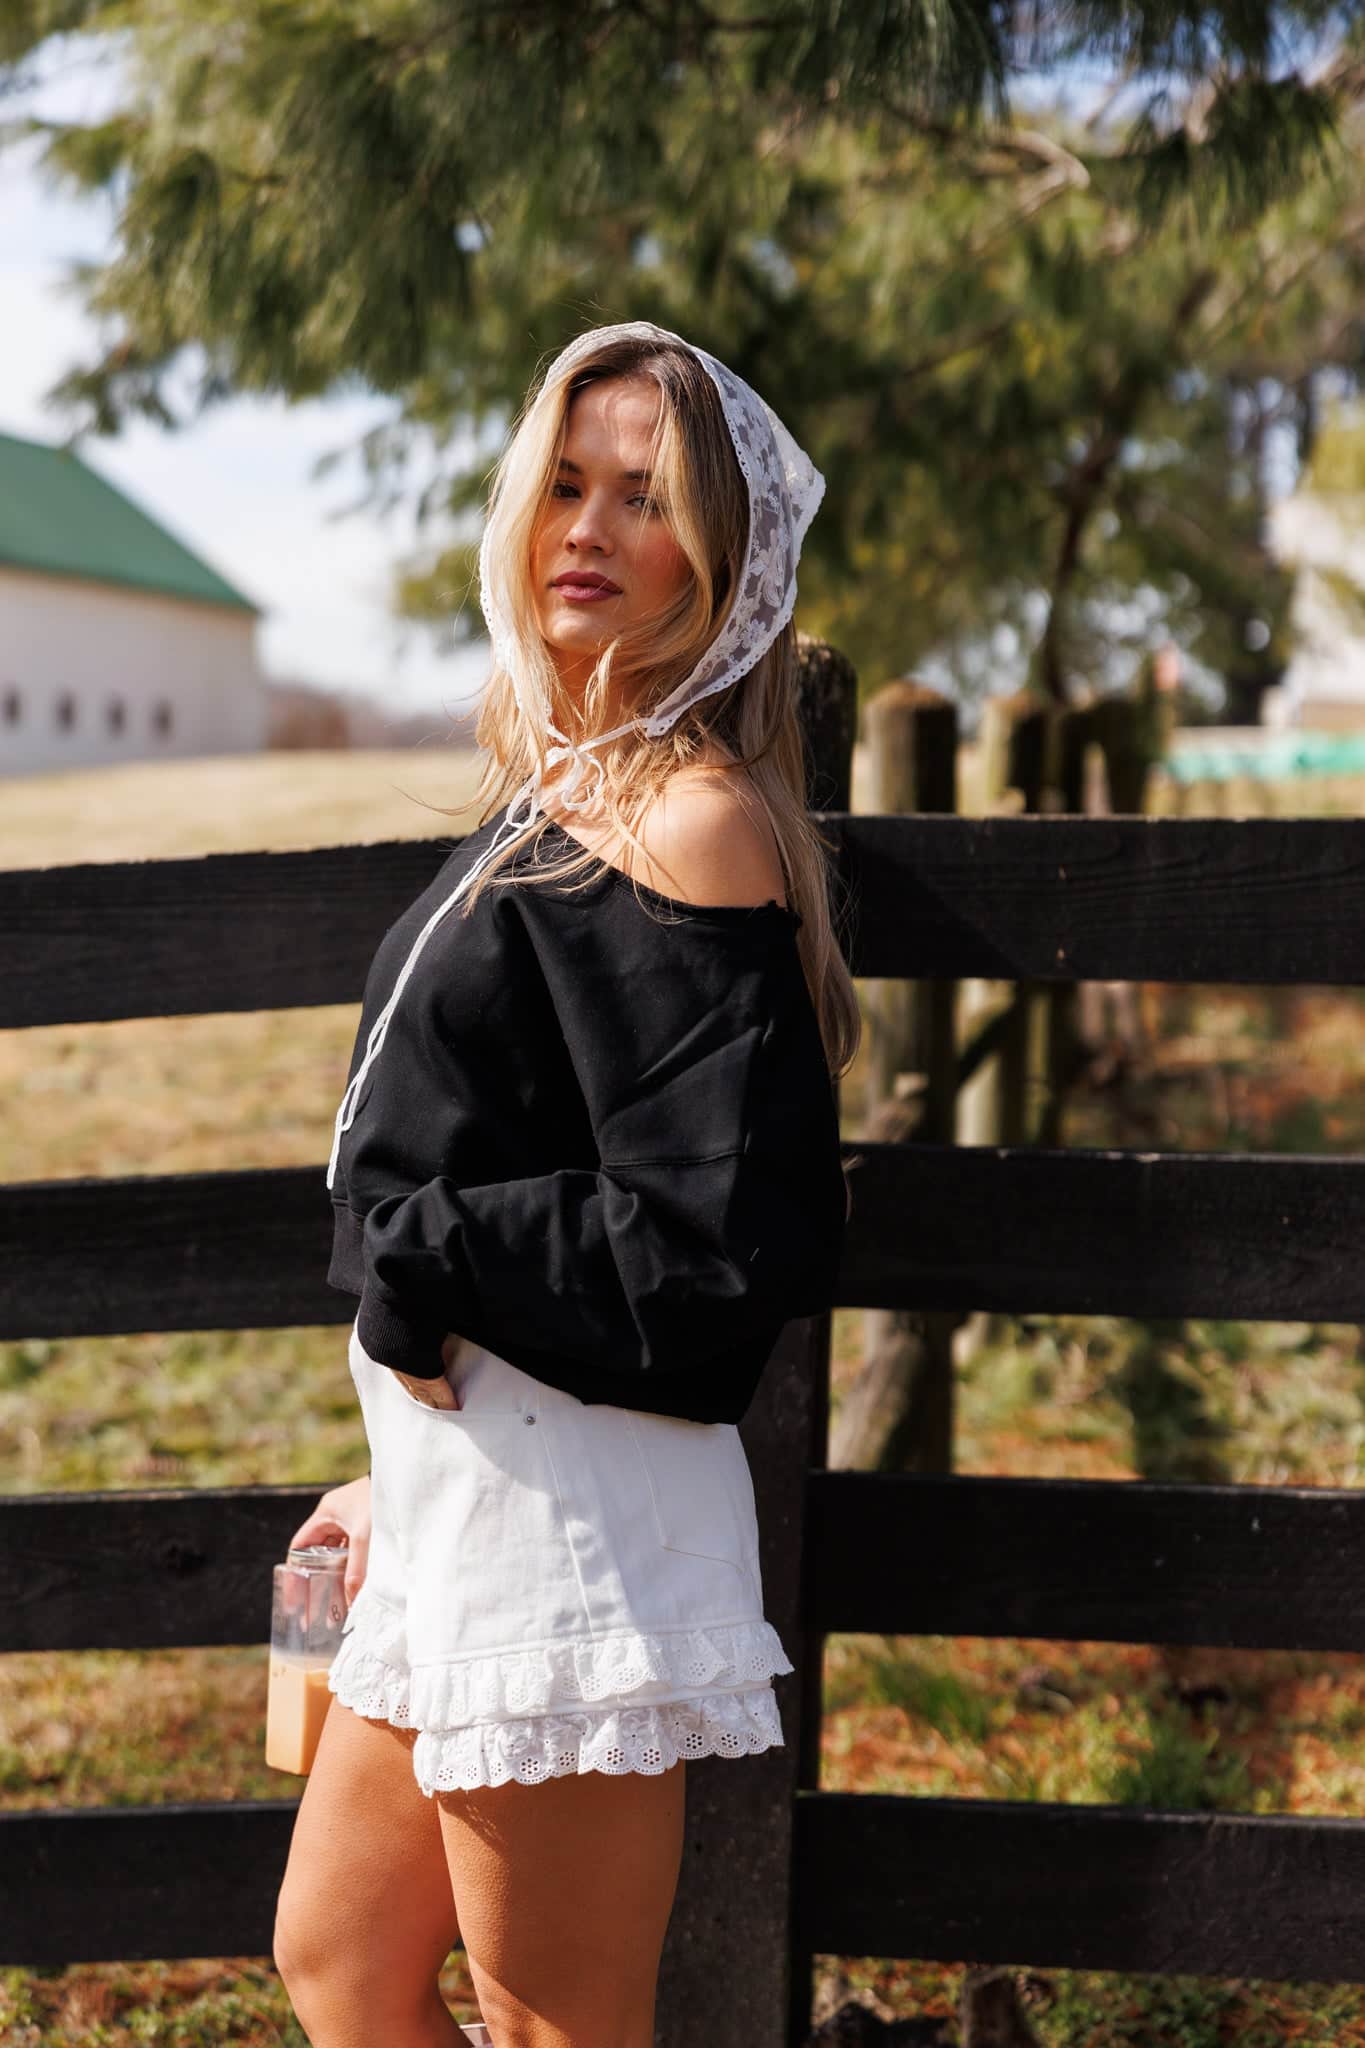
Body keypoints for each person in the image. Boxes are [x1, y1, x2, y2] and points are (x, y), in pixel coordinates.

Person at [271, 320, 861, 2048]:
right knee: (343, 1962)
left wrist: (418, 1271)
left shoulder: (687, 821)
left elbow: (711, 1247)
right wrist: (399, 1453)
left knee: (556, 2026)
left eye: (646, 498)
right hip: (466, 1486)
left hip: (570, 1533)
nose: (588, 529)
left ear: (717, 558)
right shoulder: (554, 797)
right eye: (569, 484)